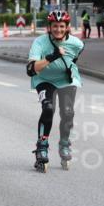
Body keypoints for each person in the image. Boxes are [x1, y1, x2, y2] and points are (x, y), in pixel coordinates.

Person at [25, 10, 85, 172]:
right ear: (49, 27)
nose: (58, 29)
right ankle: (42, 146)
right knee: (48, 108)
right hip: (44, 80)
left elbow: (73, 59)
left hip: (66, 80)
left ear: (67, 27)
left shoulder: (77, 44)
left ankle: (64, 144)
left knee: (68, 112)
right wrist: (52, 57)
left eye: (61, 26)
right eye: (54, 26)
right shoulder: (40, 43)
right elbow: (31, 70)